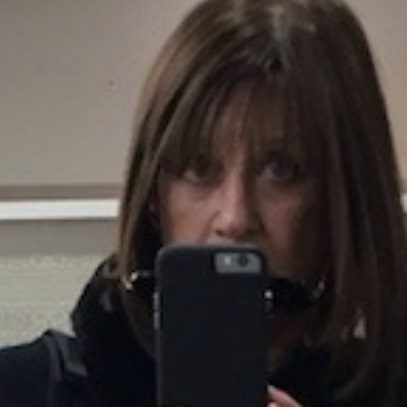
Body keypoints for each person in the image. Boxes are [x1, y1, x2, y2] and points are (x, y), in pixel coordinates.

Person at [1, 0, 406, 405]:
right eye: (198, 168)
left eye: (282, 170)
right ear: (154, 194)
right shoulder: (27, 389)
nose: (234, 218)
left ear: (344, 197)